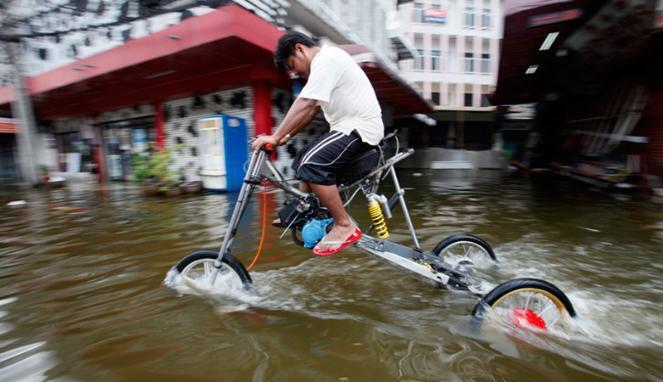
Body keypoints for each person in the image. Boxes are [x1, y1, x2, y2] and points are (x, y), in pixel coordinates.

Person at [251, 31, 384, 257]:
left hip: (361, 127)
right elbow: (311, 110)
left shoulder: (327, 58)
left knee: (312, 165)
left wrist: (274, 137)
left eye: (292, 65)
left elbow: (306, 102)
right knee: (302, 158)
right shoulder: (324, 65)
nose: (295, 72)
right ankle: (308, 212)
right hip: (347, 127)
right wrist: (286, 137)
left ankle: (344, 226)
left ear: (300, 49)